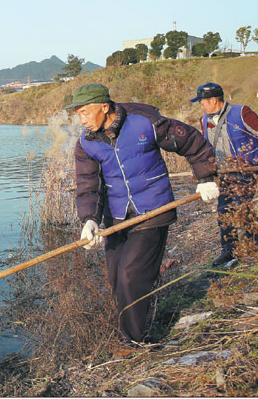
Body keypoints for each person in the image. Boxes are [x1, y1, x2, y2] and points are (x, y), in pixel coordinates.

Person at [64, 83, 219, 344]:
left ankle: (133, 341)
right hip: (117, 217)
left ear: (105, 107)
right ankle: (136, 321)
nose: (83, 120)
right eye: (78, 114)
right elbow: (88, 184)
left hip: (154, 209)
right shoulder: (86, 143)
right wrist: (89, 219)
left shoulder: (145, 122)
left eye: (86, 112)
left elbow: (190, 140)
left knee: (130, 274)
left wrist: (205, 177)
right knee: (116, 277)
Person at [190, 82, 258, 267]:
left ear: (214, 100)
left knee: (240, 205)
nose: (201, 105)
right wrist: (202, 171)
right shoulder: (204, 120)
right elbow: (205, 149)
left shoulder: (241, 113)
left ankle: (256, 242)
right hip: (224, 173)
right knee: (224, 211)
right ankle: (229, 250)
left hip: (247, 170)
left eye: (203, 101)